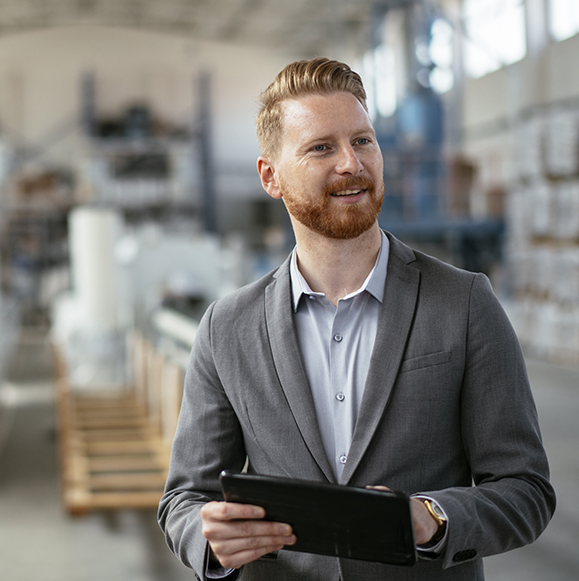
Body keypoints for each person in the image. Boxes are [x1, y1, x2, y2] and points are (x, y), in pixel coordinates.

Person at [158, 58, 555, 581]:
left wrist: (432, 518)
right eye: (322, 147)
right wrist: (208, 537)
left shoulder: (464, 303)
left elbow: (525, 489)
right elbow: (184, 498)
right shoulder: (226, 328)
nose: (352, 163)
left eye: (363, 141)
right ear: (270, 176)